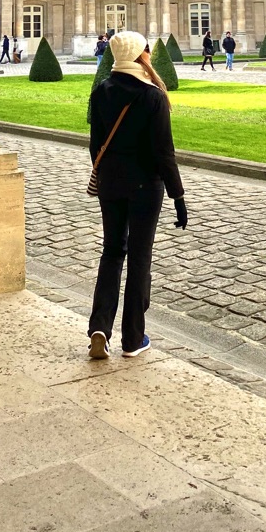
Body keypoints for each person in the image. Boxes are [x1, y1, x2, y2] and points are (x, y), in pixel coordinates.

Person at [87, 30, 187, 360]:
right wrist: (178, 196)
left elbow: (94, 144)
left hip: (110, 184)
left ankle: (99, 328)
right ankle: (133, 338)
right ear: (140, 55)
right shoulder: (152, 96)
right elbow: (163, 153)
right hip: (145, 186)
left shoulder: (101, 91)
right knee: (139, 258)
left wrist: (106, 174)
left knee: (112, 252)